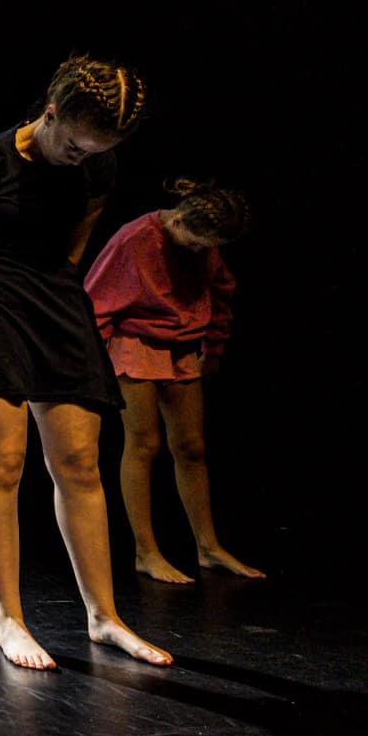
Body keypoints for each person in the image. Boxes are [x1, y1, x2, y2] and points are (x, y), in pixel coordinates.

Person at [0, 55, 171, 671]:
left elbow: (75, 244)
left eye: (94, 151)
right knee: (2, 461)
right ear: (50, 115)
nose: (83, 158)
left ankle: (102, 616)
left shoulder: (98, 167)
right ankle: (10, 617)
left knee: (79, 462)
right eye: (75, 146)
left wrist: (58, 292)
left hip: (54, 299)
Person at [84, 180, 263, 583]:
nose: (200, 252)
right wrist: (92, 364)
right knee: (145, 444)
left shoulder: (204, 245)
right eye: (197, 244)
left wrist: (213, 350)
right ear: (179, 219)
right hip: (134, 341)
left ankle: (208, 547)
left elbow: (221, 290)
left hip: (182, 347)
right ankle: (146, 552)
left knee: (192, 448)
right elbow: (93, 301)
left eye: (207, 247)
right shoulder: (135, 238)